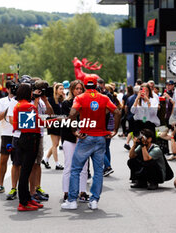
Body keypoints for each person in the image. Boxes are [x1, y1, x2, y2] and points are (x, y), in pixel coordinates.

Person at [61, 75, 120, 210]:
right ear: (96, 85)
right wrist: (114, 130)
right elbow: (117, 112)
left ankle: (72, 200)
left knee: (75, 169)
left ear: (85, 85)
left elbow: (72, 113)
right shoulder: (104, 98)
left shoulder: (80, 98)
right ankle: (94, 200)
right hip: (100, 138)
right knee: (98, 171)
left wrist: (74, 130)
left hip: (86, 136)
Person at [13, 83, 50, 211]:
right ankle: (23, 202)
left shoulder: (18, 105)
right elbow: (38, 123)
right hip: (30, 140)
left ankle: (27, 198)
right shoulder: (29, 106)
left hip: (22, 138)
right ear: (27, 93)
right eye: (31, 91)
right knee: (25, 172)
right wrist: (54, 121)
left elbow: (18, 124)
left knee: (25, 171)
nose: (32, 93)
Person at [61, 80, 89, 202]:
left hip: (83, 136)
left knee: (84, 166)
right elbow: (68, 119)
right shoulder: (66, 103)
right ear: (72, 90)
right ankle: (66, 192)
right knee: (68, 165)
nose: (79, 91)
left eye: (80, 89)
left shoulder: (86, 102)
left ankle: (83, 191)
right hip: (69, 137)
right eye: (76, 88)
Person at [0, 81, 17, 197]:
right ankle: (1, 184)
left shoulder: (20, 100)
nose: (13, 90)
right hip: (6, 133)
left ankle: (14, 187)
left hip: (17, 134)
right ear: (7, 89)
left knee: (17, 162)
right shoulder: (2, 101)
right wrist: (8, 110)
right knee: (3, 160)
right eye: (11, 88)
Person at [42, 83, 65, 170]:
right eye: (60, 89)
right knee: (55, 144)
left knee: (56, 143)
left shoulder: (62, 99)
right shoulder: (51, 99)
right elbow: (49, 112)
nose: (62, 90)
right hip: (53, 123)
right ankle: (57, 163)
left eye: (63, 89)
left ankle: (45, 159)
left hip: (61, 123)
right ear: (56, 90)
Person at [124, 85, 140, 150]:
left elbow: (126, 107)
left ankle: (128, 143)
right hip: (136, 117)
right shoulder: (138, 99)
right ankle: (134, 144)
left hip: (130, 116)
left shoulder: (130, 98)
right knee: (135, 131)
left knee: (131, 130)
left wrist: (127, 114)